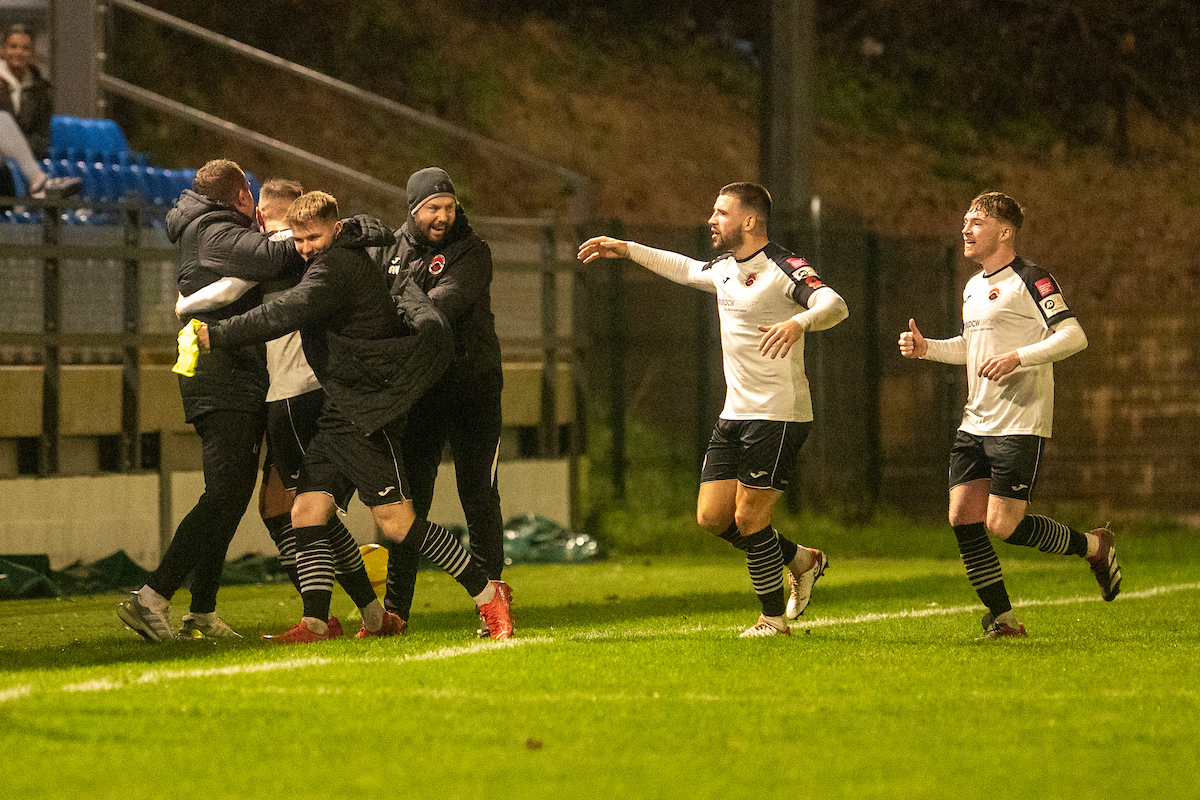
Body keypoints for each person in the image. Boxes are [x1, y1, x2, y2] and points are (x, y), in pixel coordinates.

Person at [200, 191, 514, 643]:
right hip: (342, 405)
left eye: (313, 237)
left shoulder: (336, 267)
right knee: (307, 510)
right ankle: (317, 624)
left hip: (369, 410)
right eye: (299, 238)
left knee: (398, 525)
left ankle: (488, 596)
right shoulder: (341, 253)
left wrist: (216, 334)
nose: (306, 246)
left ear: (334, 229)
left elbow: (285, 311)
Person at [578, 182, 847, 637]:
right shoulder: (724, 268)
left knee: (749, 518)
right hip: (735, 414)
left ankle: (772, 620)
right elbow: (684, 269)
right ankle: (802, 560)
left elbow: (834, 304)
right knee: (711, 518)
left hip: (779, 414)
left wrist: (798, 321)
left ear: (749, 221)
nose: (711, 219)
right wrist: (626, 249)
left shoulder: (784, 267)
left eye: (721, 212)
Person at [176, 178, 403, 639]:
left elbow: (233, 292)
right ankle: (369, 616)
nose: (299, 246)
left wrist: (187, 306)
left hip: (298, 392)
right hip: (294, 391)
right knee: (293, 508)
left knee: (306, 509)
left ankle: (325, 618)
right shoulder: (310, 249)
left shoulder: (284, 249)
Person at [898, 190, 1121, 640]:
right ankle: (1003, 620)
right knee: (962, 517)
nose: (965, 228)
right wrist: (927, 351)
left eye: (976, 222)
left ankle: (1094, 546)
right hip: (974, 421)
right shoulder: (973, 286)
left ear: (1004, 231)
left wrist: (1020, 357)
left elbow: (1074, 337)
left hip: (1020, 421)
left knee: (1004, 526)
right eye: (965, 220)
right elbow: (970, 348)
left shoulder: (1032, 278)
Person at [117, 159, 304, 642]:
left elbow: (230, 287)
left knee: (231, 496)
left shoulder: (206, 227)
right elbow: (268, 258)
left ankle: (202, 610)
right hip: (221, 379)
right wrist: (305, 233)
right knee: (223, 494)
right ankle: (152, 597)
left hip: (232, 376)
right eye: (253, 202)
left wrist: (189, 304)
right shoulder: (213, 231)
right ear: (242, 197)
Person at [371, 167, 508, 637]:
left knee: (479, 497)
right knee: (411, 503)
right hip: (421, 394)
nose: (443, 216)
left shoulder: (473, 250)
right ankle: (396, 612)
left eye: (449, 207)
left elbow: (442, 306)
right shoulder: (392, 249)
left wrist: (391, 304)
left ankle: (493, 604)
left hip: (474, 393)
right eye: (433, 208)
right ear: (413, 209)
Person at [0, 24, 51, 158]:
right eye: (13, 47)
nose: (18, 52)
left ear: (32, 53)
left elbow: (42, 135)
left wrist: (19, 150)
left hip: (29, 155)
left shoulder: (41, 89)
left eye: (25, 48)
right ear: (3, 50)